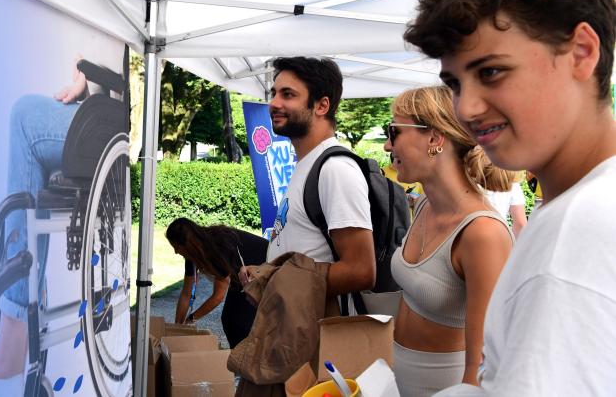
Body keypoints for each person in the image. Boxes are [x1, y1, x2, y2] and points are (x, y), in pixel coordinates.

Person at [403, 0, 616, 395]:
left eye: (491, 72)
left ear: (582, 52)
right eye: (455, 83)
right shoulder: (583, 207)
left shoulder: (578, 229)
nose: (467, 108)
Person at [0, 38, 124, 396]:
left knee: (24, 114)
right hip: (108, 112)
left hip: (107, 119)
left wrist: (87, 75)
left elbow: (117, 68)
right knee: (29, 120)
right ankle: (22, 312)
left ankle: (15, 326)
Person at [384, 86, 514, 396]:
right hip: (400, 374)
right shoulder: (425, 206)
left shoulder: (483, 233)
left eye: (394, 131)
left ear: (434, 138)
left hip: (447, 386)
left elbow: (483, 364)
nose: (387, 145)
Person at [251, 56, 375, 301]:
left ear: (321, 106)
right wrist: (264, 275)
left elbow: (361, 271)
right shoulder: (309, 163)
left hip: (318, 323)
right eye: (274, 93)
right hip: (294, 318)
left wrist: (275, 283)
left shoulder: (335, 169)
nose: (274, 103)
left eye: (288, 94)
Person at [165, 218, 268, 348]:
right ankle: (240, 355)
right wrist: (178, 326)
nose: (175, 252)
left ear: (187, 244)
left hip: (263, 266)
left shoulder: (216, 247)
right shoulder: (192, 254)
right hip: (241, 274)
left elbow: (218, 296)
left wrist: (191, 318)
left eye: (176, 246)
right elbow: (186, 293)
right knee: (229, 319)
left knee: (238, 323)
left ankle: (244, 357)